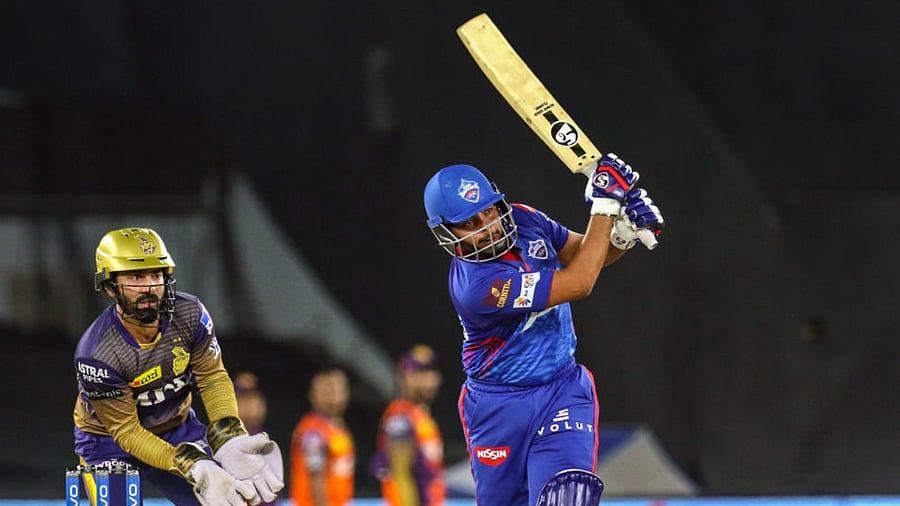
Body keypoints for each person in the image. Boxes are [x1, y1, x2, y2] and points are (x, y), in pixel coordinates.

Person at [422, 154, 664, 506]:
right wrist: (606, 204)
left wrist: (621, 233)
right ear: (447, 232)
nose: (488, 226)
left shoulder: (523, 218)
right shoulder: (477, 287)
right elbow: (580, 282)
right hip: (498, 406)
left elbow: (585, 255)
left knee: (567, 497)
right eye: (470, 222)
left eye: (489, 211)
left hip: (561, 390)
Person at [72, 227, 284, 505]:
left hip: (176, 426)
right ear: (110, 287)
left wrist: (228, 433)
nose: (150, 286)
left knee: (233, 500)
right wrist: (188, 461)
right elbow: (127, 432)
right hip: (108, 443)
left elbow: (212, 377)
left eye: (156, 275)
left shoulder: (190, 313)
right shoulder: (96, 353)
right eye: (136, 276)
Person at [371, 345, 446, 506]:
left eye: (432, 372)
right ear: (403, 377)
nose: (429, 379)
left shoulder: (420, 415)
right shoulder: (400, 418)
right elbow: (400, 475)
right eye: (420, 373)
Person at [290, 366, 355, 506]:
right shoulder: (314, 432)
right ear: (313, 395)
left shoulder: (337, 428)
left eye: (339, 389)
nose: (334, 396)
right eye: (327, 389)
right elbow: (316, 479)